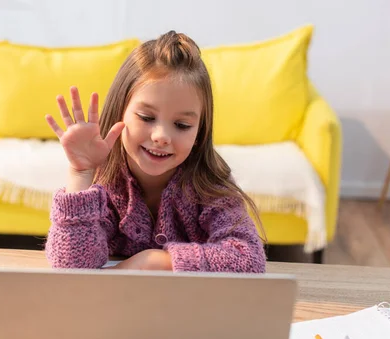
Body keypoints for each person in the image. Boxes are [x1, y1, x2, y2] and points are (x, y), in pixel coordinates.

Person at [44, 30, 266, 273]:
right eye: (146, 117)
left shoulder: (210, 185)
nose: (161, 136)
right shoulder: (104, 184)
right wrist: (81, 173)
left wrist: (152, 261)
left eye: (182, 125)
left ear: (200, 132)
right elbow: (72, 267)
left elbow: (249, 259)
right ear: (120, 111)